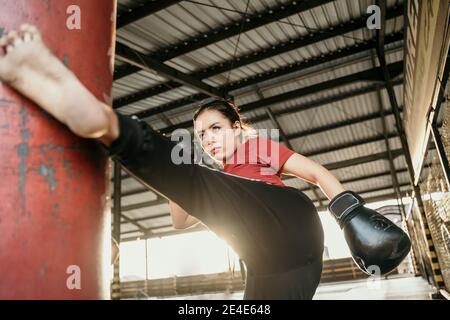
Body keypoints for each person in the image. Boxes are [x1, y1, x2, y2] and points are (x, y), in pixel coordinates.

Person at [0, 25, 383, 300]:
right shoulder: (216, 183)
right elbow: (181, 220)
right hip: (268, 264)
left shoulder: (257, 150)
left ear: (237, 128)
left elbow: (314, 173)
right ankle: (108, 126)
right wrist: (175, 176)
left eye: (215, 128)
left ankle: (104, 124)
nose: (209, 139)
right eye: (201, 135)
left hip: (289, 220)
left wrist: (349, 215)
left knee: (201, 183)